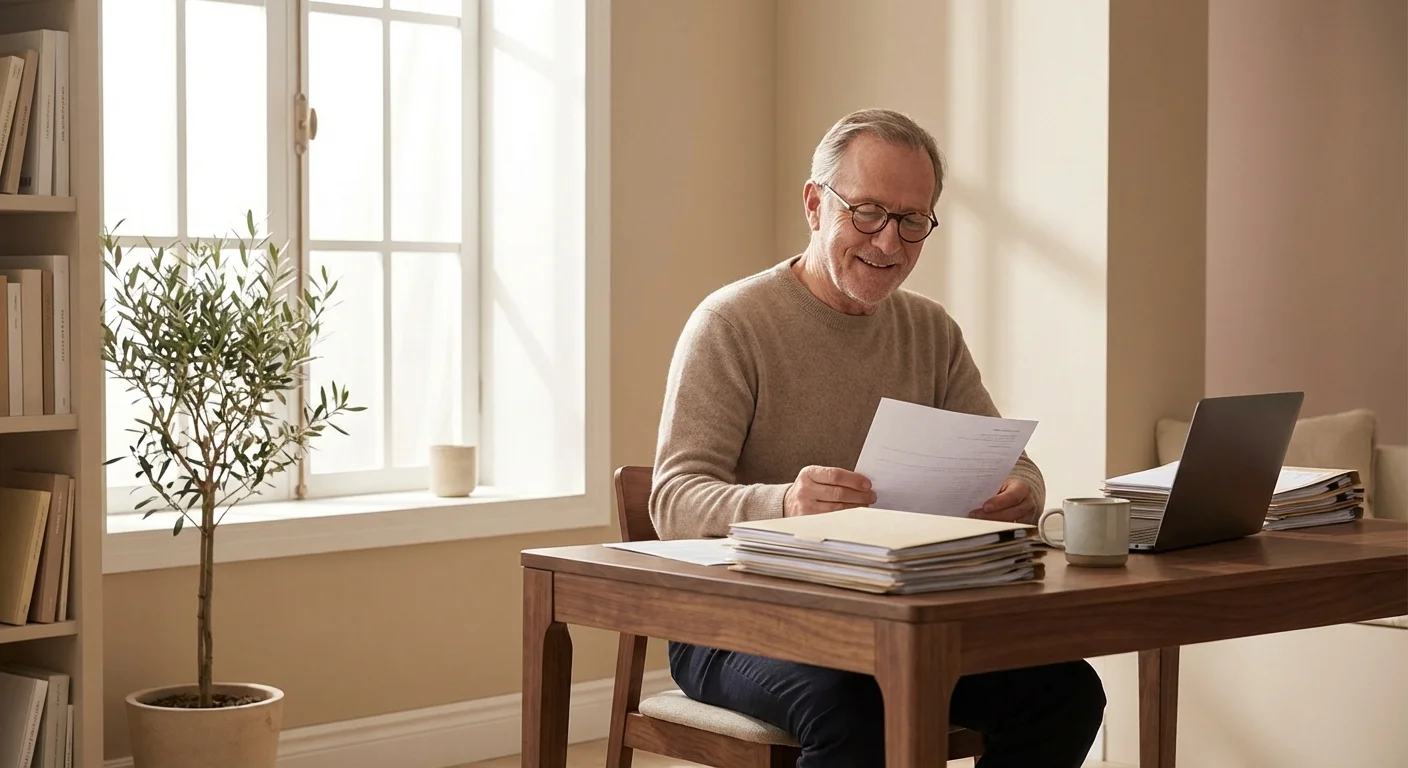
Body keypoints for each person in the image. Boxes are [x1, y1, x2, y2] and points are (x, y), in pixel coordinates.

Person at [648, 108, 1106, 767]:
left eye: (912, 221)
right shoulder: (732, 323)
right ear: (815, 204)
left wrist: (1022, 492)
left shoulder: (931, 332)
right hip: (735, 626)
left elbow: (1017, 463)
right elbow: (673, 502)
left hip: (893, 621)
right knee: (857, 708)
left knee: (1064, 691)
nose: (889, 243)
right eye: (866, 212)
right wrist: (787, 506)